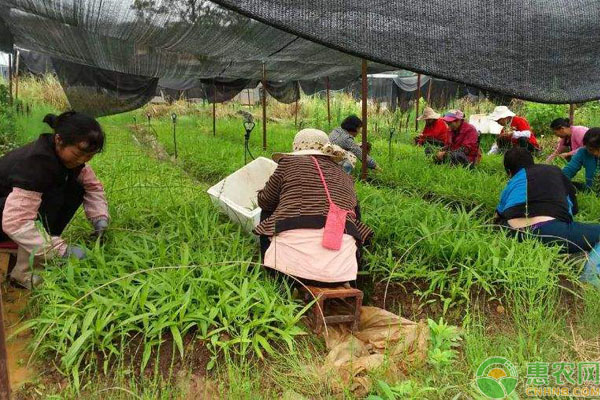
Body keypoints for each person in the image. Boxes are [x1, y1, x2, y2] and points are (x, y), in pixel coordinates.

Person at [0, 111, 109, 289]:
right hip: (7, 218)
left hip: (10, 214)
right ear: (59, 140)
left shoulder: (69, 160)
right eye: (77, 154)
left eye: (88, 156)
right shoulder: (36, 165)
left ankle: (41, 247)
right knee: (51, 195)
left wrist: (100, 218)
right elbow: (16, 222)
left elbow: (93, 187)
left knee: (75, 188)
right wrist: (61, 251)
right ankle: (24, 273)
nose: (81, 161)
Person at [254, 128, 372, 286]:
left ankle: (272, 275)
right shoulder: (345, 175)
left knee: (267, 209)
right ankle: (354, 276)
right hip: (341, 273)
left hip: (289, 272)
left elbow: (265, 201)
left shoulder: (288, 163)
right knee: (353, 215)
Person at [496, 147, 600, 254]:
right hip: (549, 231)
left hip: (512, 233)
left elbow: (498, 215)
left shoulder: (511, 183)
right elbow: (573, 206)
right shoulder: (554, 170)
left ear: (509, 172)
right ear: (533, 162)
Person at [562, 128, 600, 192]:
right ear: (585, 146)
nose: (596, 153)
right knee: (566, 184)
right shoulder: (583, 152)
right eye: (591, 150)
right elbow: (570, 170)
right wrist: (558, 180)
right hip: (590, 190)